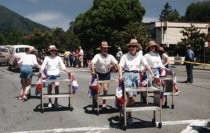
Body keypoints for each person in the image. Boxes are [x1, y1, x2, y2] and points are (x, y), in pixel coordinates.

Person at [118, 39, 154, 125]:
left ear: (137, 47)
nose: (132, 47)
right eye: (130, 46)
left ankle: (125, 109)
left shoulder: (140, 56)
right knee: (130, 97)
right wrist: (120, 75)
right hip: (127, 75)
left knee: (133, 99)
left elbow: (146, 65)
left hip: (137, 76)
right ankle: (129, 115)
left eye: (134, 46)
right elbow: (120, 66)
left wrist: (152, 74)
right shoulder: (125, 56)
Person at [91, 41, 119, 108]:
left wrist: (118, 68)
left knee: (105, 89)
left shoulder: (110, 56)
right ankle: (95, 99)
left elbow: (116, 63)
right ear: (101, 49)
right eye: (104, 48)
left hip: (107, 74)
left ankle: (104, 103)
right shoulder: (97, 56)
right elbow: (92, 63)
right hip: (98, 74)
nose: (105, 49)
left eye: (106, 48)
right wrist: (92, 71)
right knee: (98, 89)